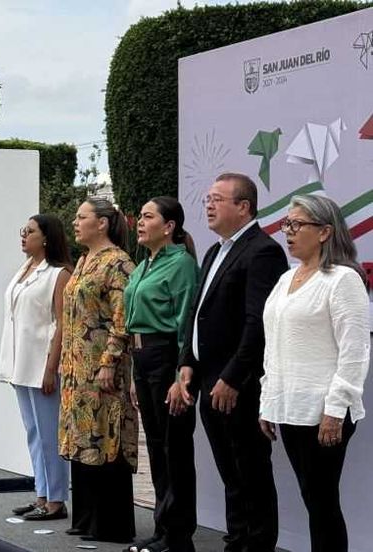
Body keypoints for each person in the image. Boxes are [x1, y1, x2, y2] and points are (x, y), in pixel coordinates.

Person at [171, 173, 286, 552]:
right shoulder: (214, 250)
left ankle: (255, 544)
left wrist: (234, 377)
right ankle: (237, 541)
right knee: (230, 474)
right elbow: (198, 313)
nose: (208, 205)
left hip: (239, 386)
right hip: (208, 379)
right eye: (207, 198)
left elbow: (258, 324)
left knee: (250, 471)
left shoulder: (262, 251)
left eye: (217, 199)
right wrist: (188, 360)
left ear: (244, 207)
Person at [258, 195, 369, 552]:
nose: (287, 232)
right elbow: (273, 346)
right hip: (289, 409)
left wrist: (336, 409)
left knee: (322, 502)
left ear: (324, 232)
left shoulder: (343, 279)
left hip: (324, 412)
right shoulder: (286, 278)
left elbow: (355, 351)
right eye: (286, 225)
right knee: (312, 498)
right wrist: (267, 401)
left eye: (296, 225)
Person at [123, 197, 200, 552]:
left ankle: (179, 535)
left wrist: (179, 373)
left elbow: (186, 321)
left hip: (167, 354)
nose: (140, 222)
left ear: (168, 226)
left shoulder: (181, 264)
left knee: (175, 448)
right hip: (142, 357)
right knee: (155, 447)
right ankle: (162, 527)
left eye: (148, 216)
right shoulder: (142, 265)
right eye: (139, 216)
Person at [59, 198, 137, 544]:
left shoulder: (118, 263)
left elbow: (123, 318)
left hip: (103, 370)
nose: (75, 223)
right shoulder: (82, 260)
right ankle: (86, 517)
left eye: (82, 217)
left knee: (106, 438)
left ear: (102, 223)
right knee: (82, 440)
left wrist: (109, 361)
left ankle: (111, 523)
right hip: (77, 369)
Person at [0, 214, 72, 521]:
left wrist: (51, 368)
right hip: (20, 363)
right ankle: (41, 494)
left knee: (49, 434)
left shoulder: (59, 273)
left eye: (30, 232)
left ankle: (56, 499)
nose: (23, 236)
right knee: (33, 432)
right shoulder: (25, 269)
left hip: (42, 364)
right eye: (22, 230)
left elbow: (61, 325)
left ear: (47, 238)